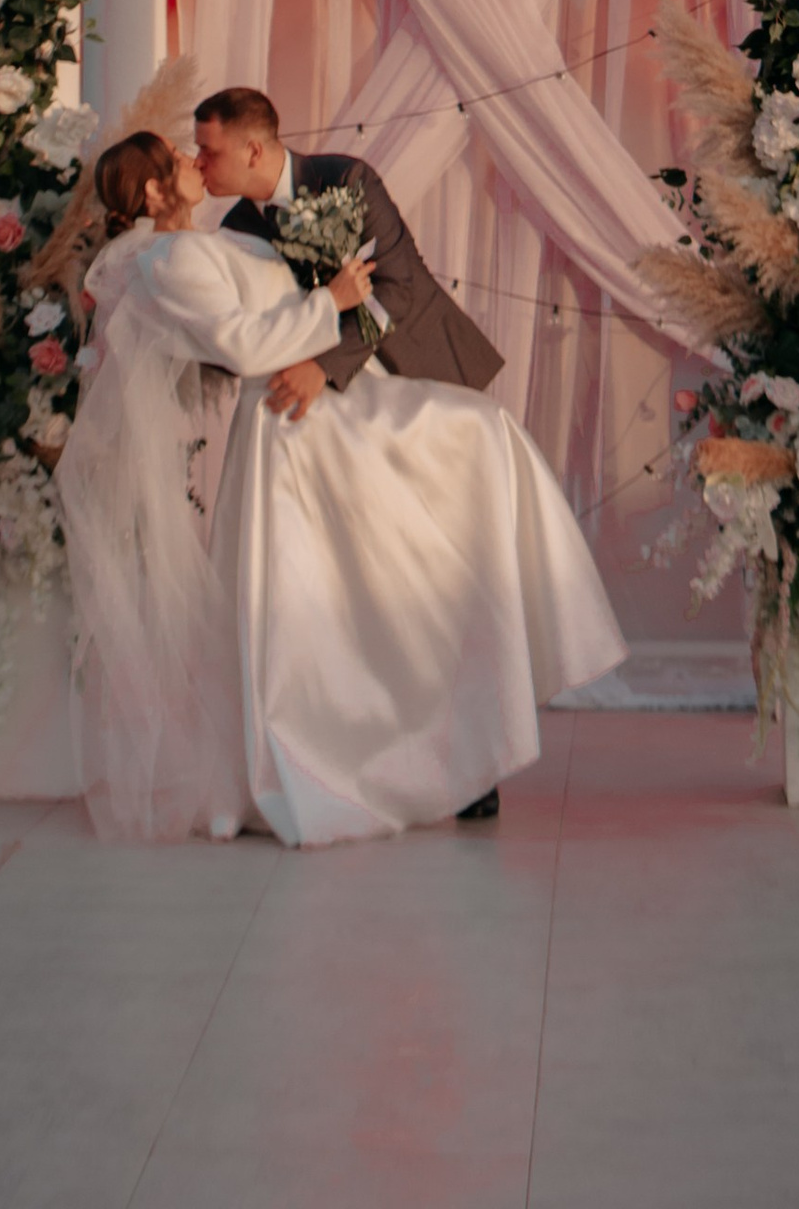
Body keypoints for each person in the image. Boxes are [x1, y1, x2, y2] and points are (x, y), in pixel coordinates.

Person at [61, 129, 625, 847]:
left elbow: (388, 283)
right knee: (341, 594)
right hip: (296, 426)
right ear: (151, 191)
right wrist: (329, 300)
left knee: (465, 470)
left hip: (331, 404)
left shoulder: (226, 232)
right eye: (179, 159)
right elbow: (243, 344)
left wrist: (328, 335)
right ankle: (351, 754)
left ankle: (472, 714)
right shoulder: (174, 259)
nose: (194, 160)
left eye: (201, 147)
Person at [190, 81, 503, 422]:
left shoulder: (346, 179)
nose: (198, 163)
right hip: (335, 410)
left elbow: (396, 287)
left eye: (209, 151)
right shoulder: (236, 230)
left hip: (422, 365)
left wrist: (323, 367)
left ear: (253, 152)